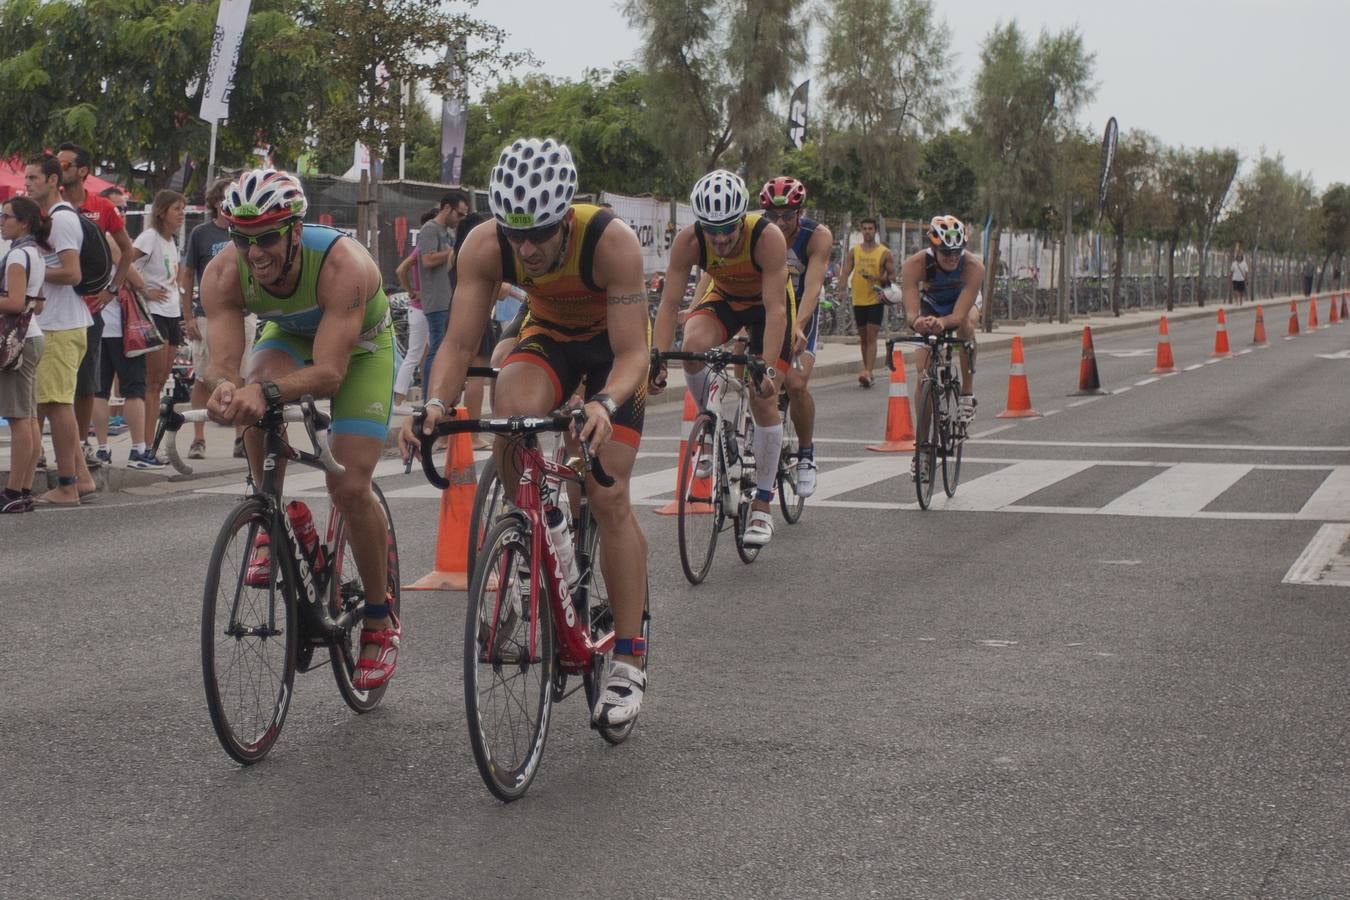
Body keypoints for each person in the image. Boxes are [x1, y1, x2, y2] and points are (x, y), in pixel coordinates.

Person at [400, 137, 651, 726]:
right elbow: (459, 344)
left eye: (540, 234)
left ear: (565, 216)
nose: (528, 249)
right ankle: (544, 521)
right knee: (510, 407)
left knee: (608, 493)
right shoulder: (485, 244)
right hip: (551, 340)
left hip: (612, 354)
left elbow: (634, 352)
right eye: (517, 234)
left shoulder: (610, 241)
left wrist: (607, 404)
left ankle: (629, 658)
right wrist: (434, 404)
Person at [200, 168, 400, 690]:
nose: (255, 251)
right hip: (288, 336)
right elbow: (224, 362)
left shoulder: (342, 264)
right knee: (253, 386)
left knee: (348, 485)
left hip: (359, 352)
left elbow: (331, 374)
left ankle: (379, 619)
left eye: (267, 236)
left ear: (294, 230)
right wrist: (225, 389)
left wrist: (261, 394)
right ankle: (270, 513)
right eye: (243, 239)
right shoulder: (224, 272)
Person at [652, 168, 792, 547]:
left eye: (728, 227)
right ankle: (711, 421)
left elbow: (777, 310)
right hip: (726, 299)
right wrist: (657, 357)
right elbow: (668, 305)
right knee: (692, 342)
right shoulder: (690, 241)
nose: (720, 237)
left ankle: (763, 504)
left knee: (763, 398)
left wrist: (767, 366)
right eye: (711, 229)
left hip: (767, 308)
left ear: (741, 219)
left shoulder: (767, 238)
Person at [56, 143, 135, 472]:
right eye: (57, 163)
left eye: (66, 163)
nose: (59, 168)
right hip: (55, 309)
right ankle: (53, 446)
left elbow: (127, 251)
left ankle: (83, 444)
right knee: (51, 383)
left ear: (82, 171)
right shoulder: (51, 205)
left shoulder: (101, 207)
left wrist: (111, 291)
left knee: (86, 383)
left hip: (90, 309)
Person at [24, 154, 96, 506]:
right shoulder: (50, 218)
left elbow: (72, 273)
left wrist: (27, 274)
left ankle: (67, 486)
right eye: (27, 178)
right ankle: (80, 479)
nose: (28, 183)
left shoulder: (62, 220)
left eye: (34, 177)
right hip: (58, 323)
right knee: (50, 402)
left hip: (60, 324)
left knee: (57, 404)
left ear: (54, 180)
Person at [760, 175, 832, 498]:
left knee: (796, 383)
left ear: (799, 213)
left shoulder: (816, 237)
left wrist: (799, 325)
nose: (779, 222)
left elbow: (814, 286)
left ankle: (805, 455)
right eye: (772, 215)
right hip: (767, 308)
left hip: (801, 310)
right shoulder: (757, 231)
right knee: (745, 367)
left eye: (787, 216)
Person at [178, 177, 254, 459]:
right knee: (203, 376)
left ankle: (240, 436)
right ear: (214, 202)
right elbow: (186, 275)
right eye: (225, 198)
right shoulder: (201, 233)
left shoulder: (245, 232)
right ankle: (198, 438)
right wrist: (187, 315)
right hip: (207, 315)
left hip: (243, 313)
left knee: (241, 376)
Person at [899, 215, 983, 428]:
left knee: (966, 326)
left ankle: (966, 393)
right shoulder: (915, 264)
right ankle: (923, 449)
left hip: (962, 304)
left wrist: (943, 323)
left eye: (958, 251)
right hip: (932, 304)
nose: (953, 257)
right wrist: (917, 321)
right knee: (923, 375)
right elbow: (911, 312)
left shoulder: (974, 266)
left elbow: (957, 316)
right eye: (946, 252)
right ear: (933, 248)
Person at [0, 197, 49, 513]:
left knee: (19, 419)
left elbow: (15, 303)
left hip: (18, 341)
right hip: (33, 337)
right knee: (28, 418)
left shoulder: (18, 255)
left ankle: (13, 492)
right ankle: (24, 488)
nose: (2, 222)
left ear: (24, 223)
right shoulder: (36, 253)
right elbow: (37, 302)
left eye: (6, 217)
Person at [131, 190, 186, 443]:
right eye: (177, 209)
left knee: (162, 380)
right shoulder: (149, 238)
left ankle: (151, 440)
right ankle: (145, 442)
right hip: (154, 314)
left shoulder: (171, 240)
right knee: (152, 383)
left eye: (184, 209)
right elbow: (125, 262)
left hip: (172, 313)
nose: (182, 214)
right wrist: (144, 289)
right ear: (162, 212)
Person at [417, 189, 470, 372]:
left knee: (444, 350)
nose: (460, 219)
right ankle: (429, 397)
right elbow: (427, 259)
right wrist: (456, 251)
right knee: (437, 350)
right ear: (447, 208)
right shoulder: (430, 229)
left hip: (447, 300)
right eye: (459, 214)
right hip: (437, 301)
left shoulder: (447, 232)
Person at [839, 217, 894, 387]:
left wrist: (877, 278)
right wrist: (841, 289)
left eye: (870, 228)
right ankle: (866, 368)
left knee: (871, 337)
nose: (867, 231)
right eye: (864, 228)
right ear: (861, 230)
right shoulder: (854, 251)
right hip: (858, 299)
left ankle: (869, 372)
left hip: (875, 300)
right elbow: (845, 272)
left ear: (876, 231)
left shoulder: (884, 253)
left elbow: (892, 278)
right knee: (863, 338)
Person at [393, 208, 437, 406]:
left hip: (423, 307)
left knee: (424, 354)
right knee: (416, 354)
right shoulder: (426, 247)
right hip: (422, 308)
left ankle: (422, 396)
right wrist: (412, 291)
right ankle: (398, 400)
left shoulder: (425, 245)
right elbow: (401, 269)